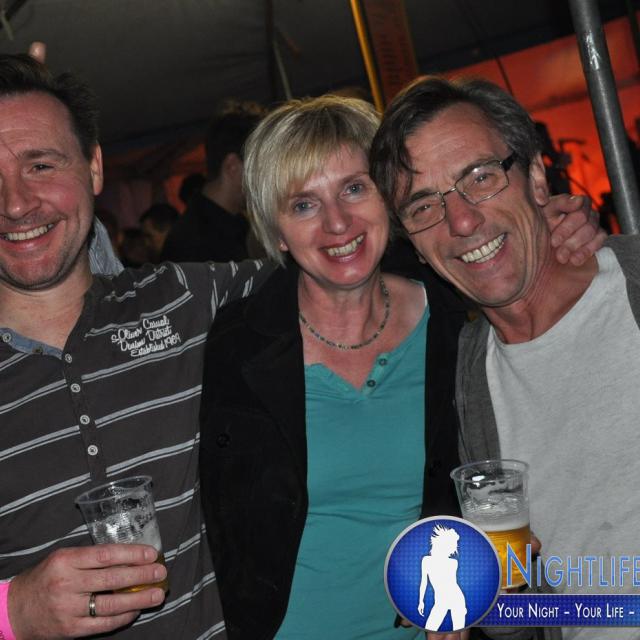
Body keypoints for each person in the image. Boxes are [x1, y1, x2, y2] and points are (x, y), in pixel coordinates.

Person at [198, 95, 601, 640]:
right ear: (277, 230)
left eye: (354, 188)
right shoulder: (236, 345)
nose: (337, 222)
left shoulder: (457, 314)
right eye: (304, 204)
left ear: (389, 198)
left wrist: (560, 230)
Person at [0, 53, 272, 639]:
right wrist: (12, 611)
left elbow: (335, 277)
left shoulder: (189, 300)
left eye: (41, 165)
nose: (15, 203)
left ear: (94, 167)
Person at [370, 75, 630, 640]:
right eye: (424, 206)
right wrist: (486, 600)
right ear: (415, 246)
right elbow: (535, 616)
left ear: (535, 178)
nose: (461, 221)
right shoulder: (466, 386)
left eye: (480, 178)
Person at [161, 104, 263, 263]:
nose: (269, 178)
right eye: (262, 166)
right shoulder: (191, 243)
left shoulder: (237, 223)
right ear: (233, 167)